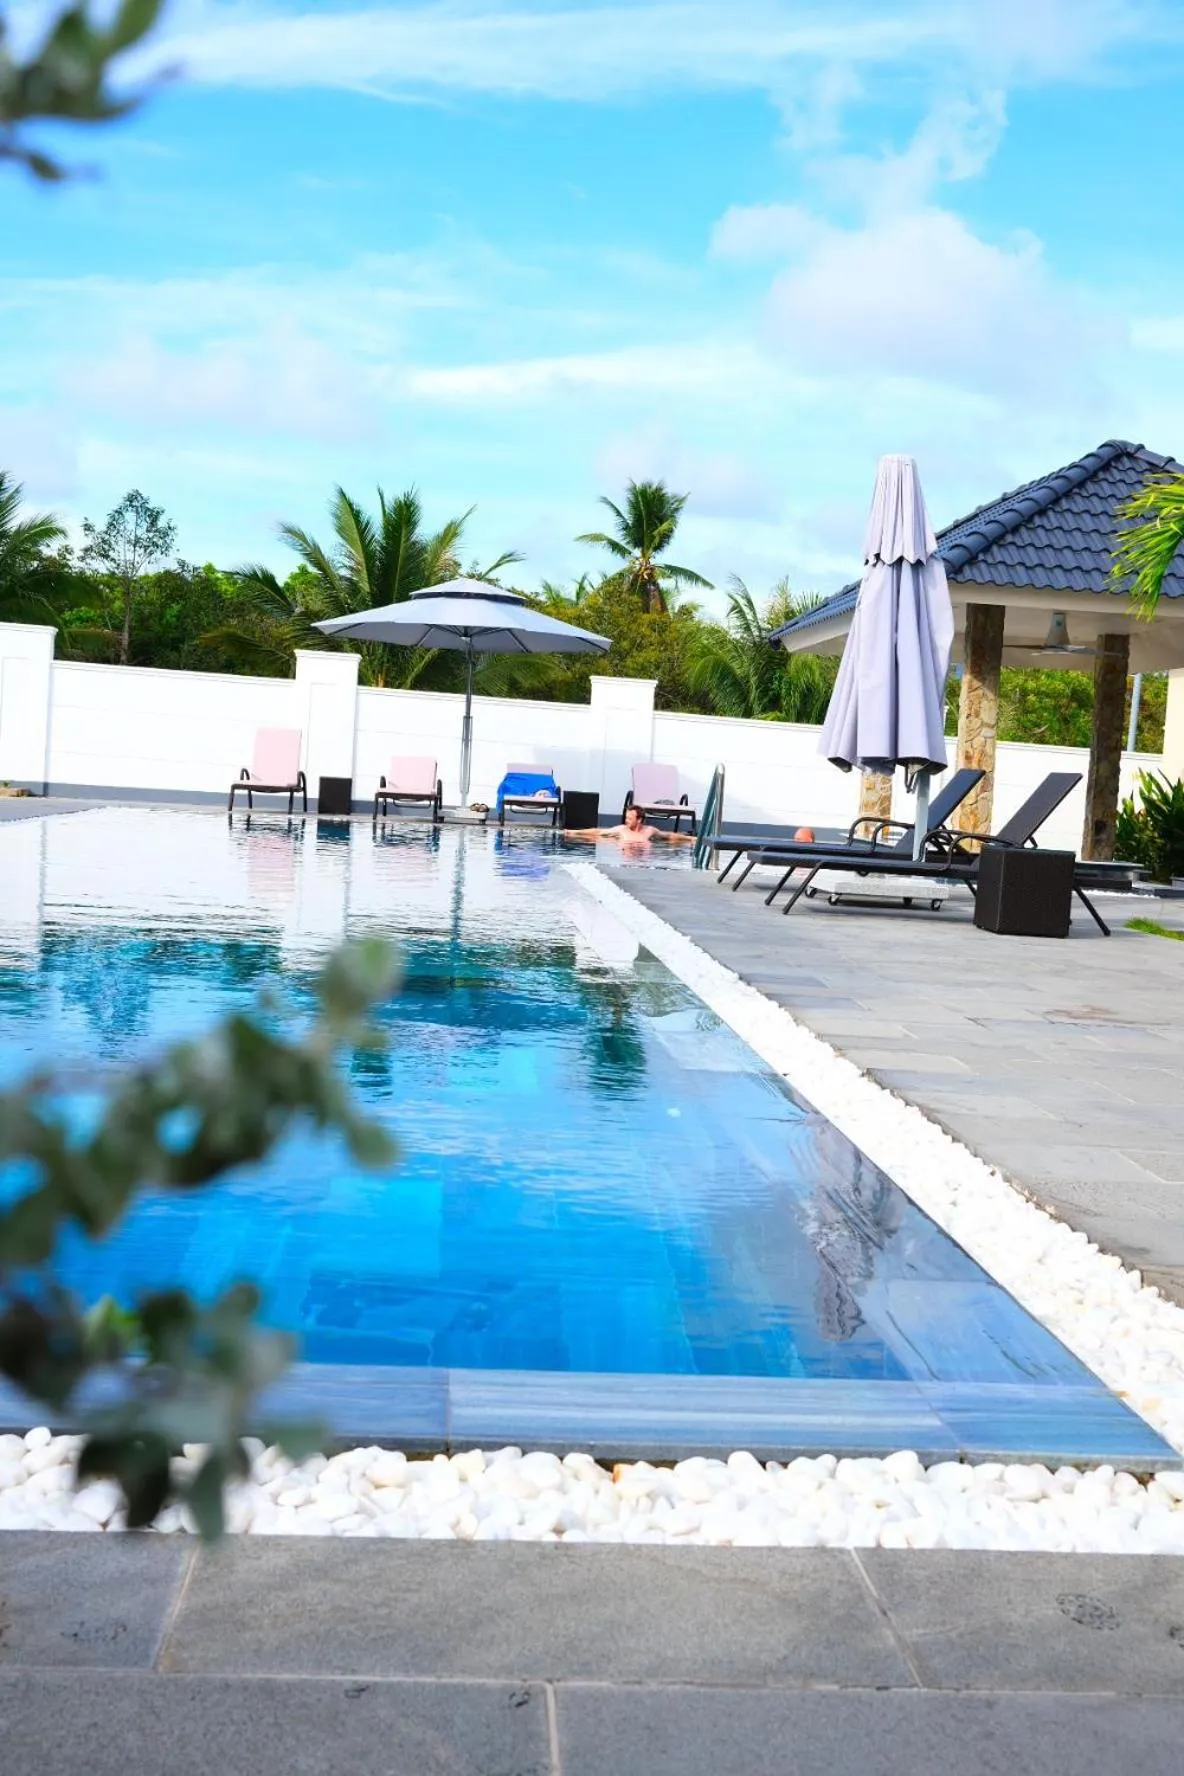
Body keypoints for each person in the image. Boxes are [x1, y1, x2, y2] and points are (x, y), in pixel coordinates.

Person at [566, 804, 695, 845]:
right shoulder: (622, 830)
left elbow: (670, 836)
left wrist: (690, 839)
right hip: (626, 852)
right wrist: (574, 832)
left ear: (639, 820)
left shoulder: (649, 831)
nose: (626, 820)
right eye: (626, 817)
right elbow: (597, 832)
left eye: (630, 818)